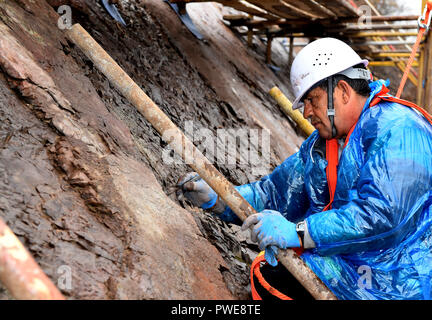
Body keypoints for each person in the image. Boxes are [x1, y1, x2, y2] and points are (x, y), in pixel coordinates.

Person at [177, 38, 432, 300]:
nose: (307, 112)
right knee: (271, 273)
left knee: (278, 277)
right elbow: (276, 192)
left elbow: (381, 219)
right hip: (353, 265)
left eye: (313, 99)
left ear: (343, 91)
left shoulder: (399, 129)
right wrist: (221, 199)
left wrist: (300, 233)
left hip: (400, 280)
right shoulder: (323, 145)